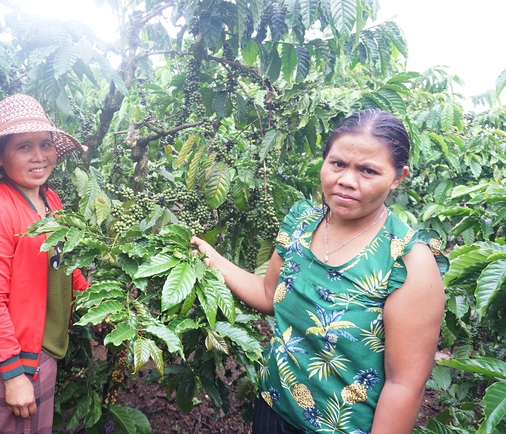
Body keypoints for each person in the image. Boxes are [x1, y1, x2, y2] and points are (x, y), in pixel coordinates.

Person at [192, 109, 448, 434]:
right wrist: (211, 257)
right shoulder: (301, 221)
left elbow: (403, 386)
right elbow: (270, 294)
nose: (346, 181)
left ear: (398, 177)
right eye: (337, 164)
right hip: (273, 408)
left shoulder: (407, 262)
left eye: (368, 171)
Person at [0, 94, 89, 433]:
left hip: (41, 342)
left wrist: (91, 299)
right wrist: (13, 375)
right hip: (16, 356)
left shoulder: (51, 199)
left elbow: (63, 259)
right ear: (0, 157)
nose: (39, 157)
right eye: (23, 147)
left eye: (45, 144)